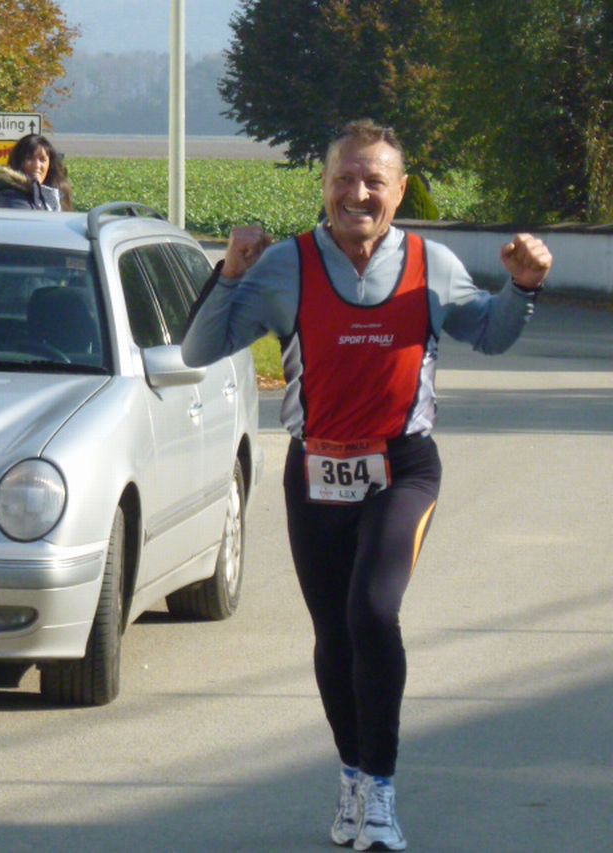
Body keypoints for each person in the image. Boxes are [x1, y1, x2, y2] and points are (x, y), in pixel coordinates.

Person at [181, 119, 553, 851]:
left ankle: (380, 790)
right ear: (323, 186)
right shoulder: (286, 266)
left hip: (401, 469)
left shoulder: (430, 263)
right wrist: (229, 273)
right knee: (334, 634)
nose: (358, 193)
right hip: (315, 472)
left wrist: (522, 287)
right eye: (344, 179)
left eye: (374, 181)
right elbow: (200, 347)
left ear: (399, 190)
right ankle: (353, 775)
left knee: (372, 612)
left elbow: (491, 333)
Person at [0, 134, 72, 211]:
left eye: (42, 159)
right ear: (17, 161)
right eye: (29, 158)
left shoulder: (56, 194)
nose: (36, 165)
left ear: (50, 164)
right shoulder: (10, 196)